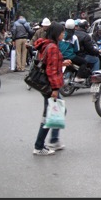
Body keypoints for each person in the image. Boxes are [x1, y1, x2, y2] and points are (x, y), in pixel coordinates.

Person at [32, 22, 71, 156]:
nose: (63, 34)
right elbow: (51, 70)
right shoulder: (53, 47)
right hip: (50, 86)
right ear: (56, 33)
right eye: (61, 32)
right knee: (51, 114)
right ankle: (40, 145)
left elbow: (50, 63)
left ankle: (52, 140)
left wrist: (62, 62)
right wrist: (55, 89)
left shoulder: (47, 45)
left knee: (54, 112)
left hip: (46, 85)